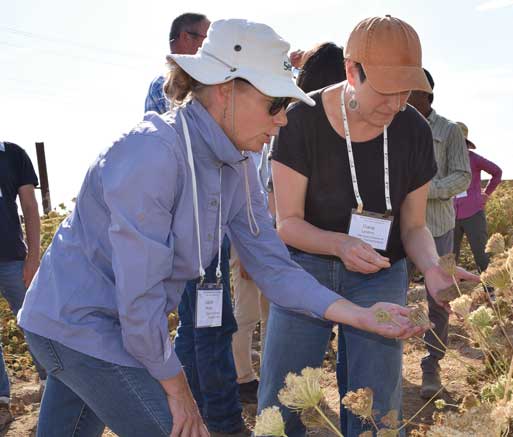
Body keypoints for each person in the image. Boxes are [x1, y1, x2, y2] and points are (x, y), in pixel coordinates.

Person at [18, 19, 423, 437]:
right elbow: (139, 303)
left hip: (119, 329)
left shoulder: (237, 165)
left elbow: (275, 269)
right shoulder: (151, 154)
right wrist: (179, 392)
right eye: (275, 104)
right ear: (226, 90)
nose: (283, 120)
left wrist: (361, 316)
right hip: (76, 323)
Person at [258, 16, 478, 437]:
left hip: (380, 272)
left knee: (376, 403)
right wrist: (339, 244)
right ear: (351, 70)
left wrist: (433, 267)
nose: (395, 104)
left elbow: (413, 226)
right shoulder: (301, 120)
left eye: (405, 92)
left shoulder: (413, 130)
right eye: (385, 89)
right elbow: (287, 223)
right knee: (283, 399)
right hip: (306, 270)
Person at [228, 41, 346, 406]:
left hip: (280, 246)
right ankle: (245, 377)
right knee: (248, 315)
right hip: (265, 239)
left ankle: (274, 384)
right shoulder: (285, 124)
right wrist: (254, 253)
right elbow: (264, 196)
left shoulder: (291, 119)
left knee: (272, 317)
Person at [144, 13, 246, 436]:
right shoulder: (165, 91)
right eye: (204, 38)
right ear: (183, 39)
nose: (209, 47)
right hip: (196, 229)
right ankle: (223, 422)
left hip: (204, 227)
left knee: (196, 325)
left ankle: (196, 417)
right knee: (213, 326)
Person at [406, 68, 471, 398]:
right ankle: (387, 363)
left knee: (440, 300)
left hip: (439, 227)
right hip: (397, 230)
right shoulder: (392, 124)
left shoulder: (449, 130)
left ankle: (432, 365)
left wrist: (427, 190)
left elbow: (463, 177)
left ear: (425, 94)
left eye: (409, 89)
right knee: (388, 294)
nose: (402, 94)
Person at [0, 140, 46, 429]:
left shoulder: (13, 155)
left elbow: (30, 207)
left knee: (33, 321)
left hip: (14, 260)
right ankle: (2, 401)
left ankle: (50, 382)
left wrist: (33, 256)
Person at [453, 122, 502, 273]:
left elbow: (497, 172)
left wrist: (486, 194)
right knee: (449, 256)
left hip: (473, 212)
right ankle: (450, 290)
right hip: (449, 215)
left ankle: (490, 288)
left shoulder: (474, 159)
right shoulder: (443, 160)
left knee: (481, 253)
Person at [145, 13, 210, 114]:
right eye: (208, 38)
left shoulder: (158, 85)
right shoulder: (160, 85)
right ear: (186, 37)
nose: (211, 44)